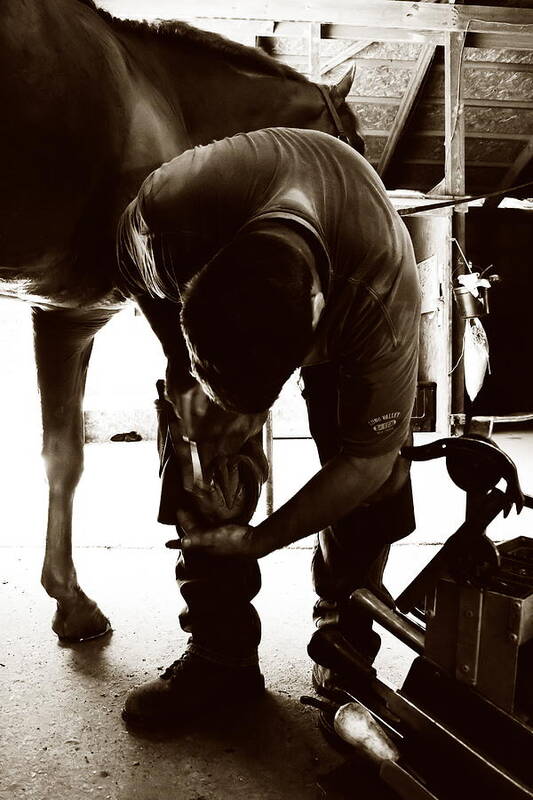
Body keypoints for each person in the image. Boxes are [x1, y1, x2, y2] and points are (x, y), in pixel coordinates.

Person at [118, 127, 421, 727]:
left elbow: (366, 462)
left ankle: (345, 639)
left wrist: (261, 539)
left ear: (317, 313)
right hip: (218, 286)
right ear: (191, 284)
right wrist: (187, 377)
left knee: (377, 484)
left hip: (350, 279)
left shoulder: (378, 304)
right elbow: (137, 281)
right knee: (195, 452)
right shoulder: (167, 216)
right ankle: (219, 653)